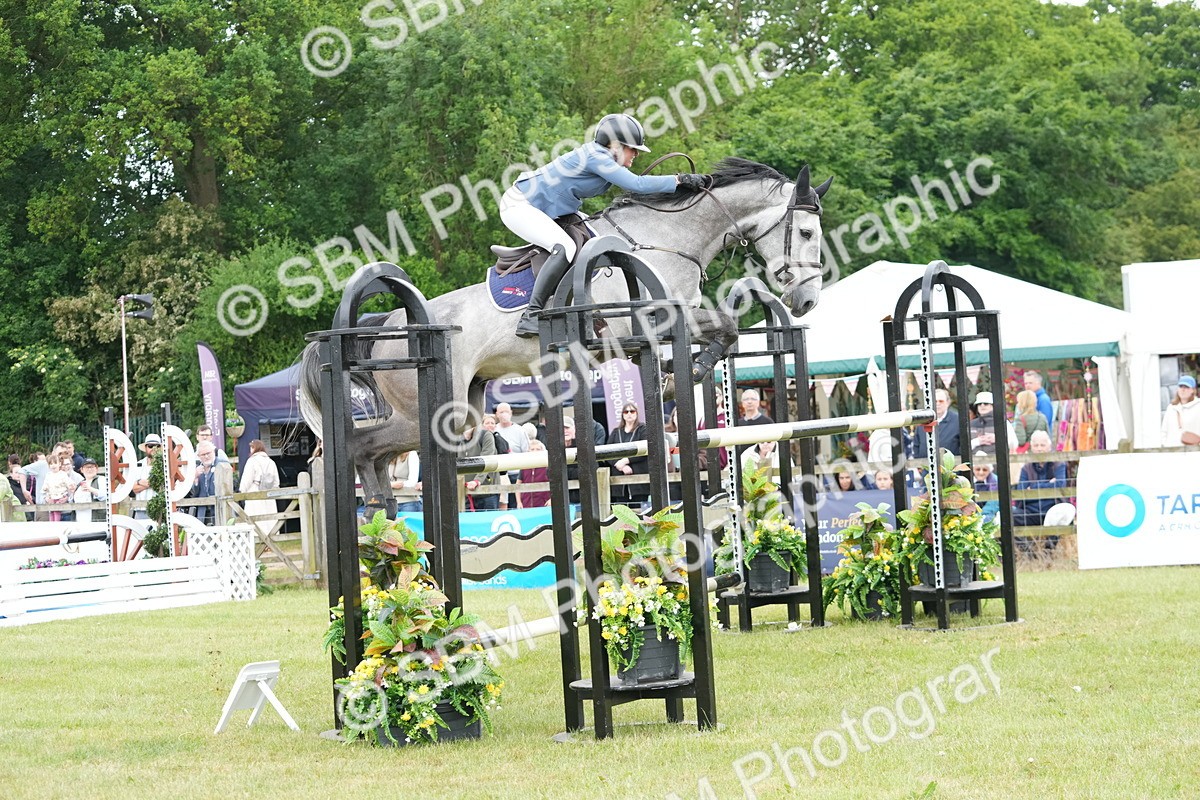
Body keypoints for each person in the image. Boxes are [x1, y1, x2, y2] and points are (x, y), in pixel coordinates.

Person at [506, 114, 709, 337]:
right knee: (564, 247)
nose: (637, 154)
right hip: (520, 205)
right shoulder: (596, 157)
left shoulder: (602, 157)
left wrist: (676, 185)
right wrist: (678, 180)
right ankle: (531, 315)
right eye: (632, 148)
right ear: (615, 145)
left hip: (552, 209)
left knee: (595, 235)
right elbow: (637, 184)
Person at [1013, 430, 1067, 530]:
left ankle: (1050, 541)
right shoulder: (1026, 468)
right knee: (1011, 515)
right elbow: (1021, 493)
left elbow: (1060, 486)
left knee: (1064, 513)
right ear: (1031, 448)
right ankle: (1026, 541)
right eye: (1036, 445)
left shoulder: (1059, 464)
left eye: (1042, 445)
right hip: (1030, 511)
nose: (1039, 449)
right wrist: (1049, 485)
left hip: (1053, 509)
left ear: (1049, 447)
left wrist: (1033, 488)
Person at [609, 403, 649, 506]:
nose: (629, 414)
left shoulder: (643, 429)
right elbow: (607, 453)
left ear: (636, 413)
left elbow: (646, 450)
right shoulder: (616, 432)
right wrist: (620, 465)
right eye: (626, 412)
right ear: (622, 415)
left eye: (632, 411)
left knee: (640, 511)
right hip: (619, 483)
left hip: (639, 481)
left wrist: (626, 460)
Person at [239, 439, 281, 536]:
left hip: (254, 492)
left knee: (255, 517)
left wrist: (242, 491)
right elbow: (276, 482)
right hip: (269, 493)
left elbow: (247, 479)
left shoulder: (252, 461)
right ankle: (271, 537)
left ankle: (256, 536)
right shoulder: (271, 462)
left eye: (251, 447)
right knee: (270, 518)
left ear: (255, 448)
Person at [494, 403, 530, 509]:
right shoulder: (493, 430)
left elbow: (527, 452)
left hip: (516, 474)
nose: (504, 414)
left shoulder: (520, 430)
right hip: (499, 475)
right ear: (497, 414)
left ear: (511, 413)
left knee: (516, 506)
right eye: (501, 412)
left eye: (506, 411)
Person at [914, 388, 961, 459]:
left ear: (948, 403)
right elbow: (916, 445)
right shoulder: (923, 420)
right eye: (935, 401)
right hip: (924, 464)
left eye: (941, 401)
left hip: (950, 465)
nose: (938, 404)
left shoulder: (957, 420)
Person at [460, 425, 498, 511]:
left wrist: (477, 481)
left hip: (487, 493)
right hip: (465, 493)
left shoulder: (485, 435)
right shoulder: (456, 440)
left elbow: (487, 460)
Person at [1160, 374, 1200, 446]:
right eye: (1181, 386)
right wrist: (1164, 445)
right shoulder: (1171, 408)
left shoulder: (1198, 407)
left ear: (1193, 390)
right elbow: (1164, 431)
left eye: (1186, 387)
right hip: (1172, 450)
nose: (1183, 389)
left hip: (1193, 450)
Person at [130, 434, 162, 520]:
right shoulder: (138, 465)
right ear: (145, 447)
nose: (153, 449)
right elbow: (133, 489)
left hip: (159, 510)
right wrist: (152, 483)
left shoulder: (164, 465)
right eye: (150, 446)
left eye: (157, 446)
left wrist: (139, 482)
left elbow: (162, 485)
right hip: (140, 509)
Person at [186, 443, 218, 525]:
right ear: (198, 456)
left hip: (218, 510)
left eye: (208, 453)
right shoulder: (197, 469)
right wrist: (195, 478)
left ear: (213, 452)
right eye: (203, 454)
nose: (206, 456)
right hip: (202, 512)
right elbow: (194, 494)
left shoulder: (221, 465)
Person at [516, 440, 551, 508]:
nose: (535, 451)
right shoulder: (524, 466)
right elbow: (517, 485)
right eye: (532, 449)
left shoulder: (547, 467)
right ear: (528, 451)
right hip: (526, 505)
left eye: (538, 449)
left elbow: (555, 484)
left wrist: (551, 500)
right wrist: (519, 502)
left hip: (544, 505)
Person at [72, 458, 107, 523]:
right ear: (82, 470)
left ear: (96, 469)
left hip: (96, 522)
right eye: (87, 467)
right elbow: (72, 501)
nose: (89, 469)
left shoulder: (102, 479)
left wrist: (91, 489)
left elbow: (106, 496)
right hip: (79, 522)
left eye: (92, 467)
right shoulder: (79, 484)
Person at [971, 451, 1000, 524]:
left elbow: (993, 504)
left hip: (988, 513)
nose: (981, 473)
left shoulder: (995, 481)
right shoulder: (968, 480)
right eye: (978, 469)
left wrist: (979, 517)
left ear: (989, 470)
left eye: (985, 470)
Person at [7, 455, 33, 520]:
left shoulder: (28, 483)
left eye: (20, 472)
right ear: (11, 474)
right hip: (14, 513)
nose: (19, 474)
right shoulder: (8, 485)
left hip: (30, 512)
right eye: (16, 472)